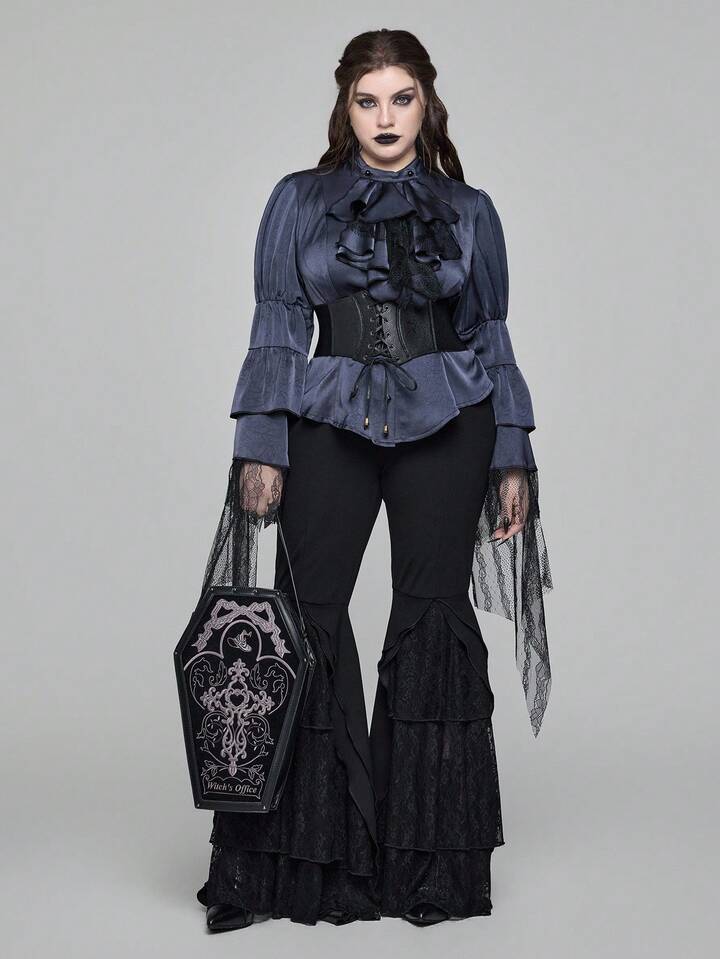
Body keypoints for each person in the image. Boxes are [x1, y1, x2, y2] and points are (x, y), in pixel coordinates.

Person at [195, 27, 553, 931]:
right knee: (305, 615)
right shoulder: (298, 201)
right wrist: (262, 443)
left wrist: (511, 450)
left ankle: (423, 868)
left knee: (431, 617)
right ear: (345, 105)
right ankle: (292, 867)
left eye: (401, 98)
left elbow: (491, 333)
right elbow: (277, 323)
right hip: (328, 419)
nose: (385, 117)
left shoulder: (469, 210)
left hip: (453, 423)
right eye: (368, 100)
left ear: (426, 102)